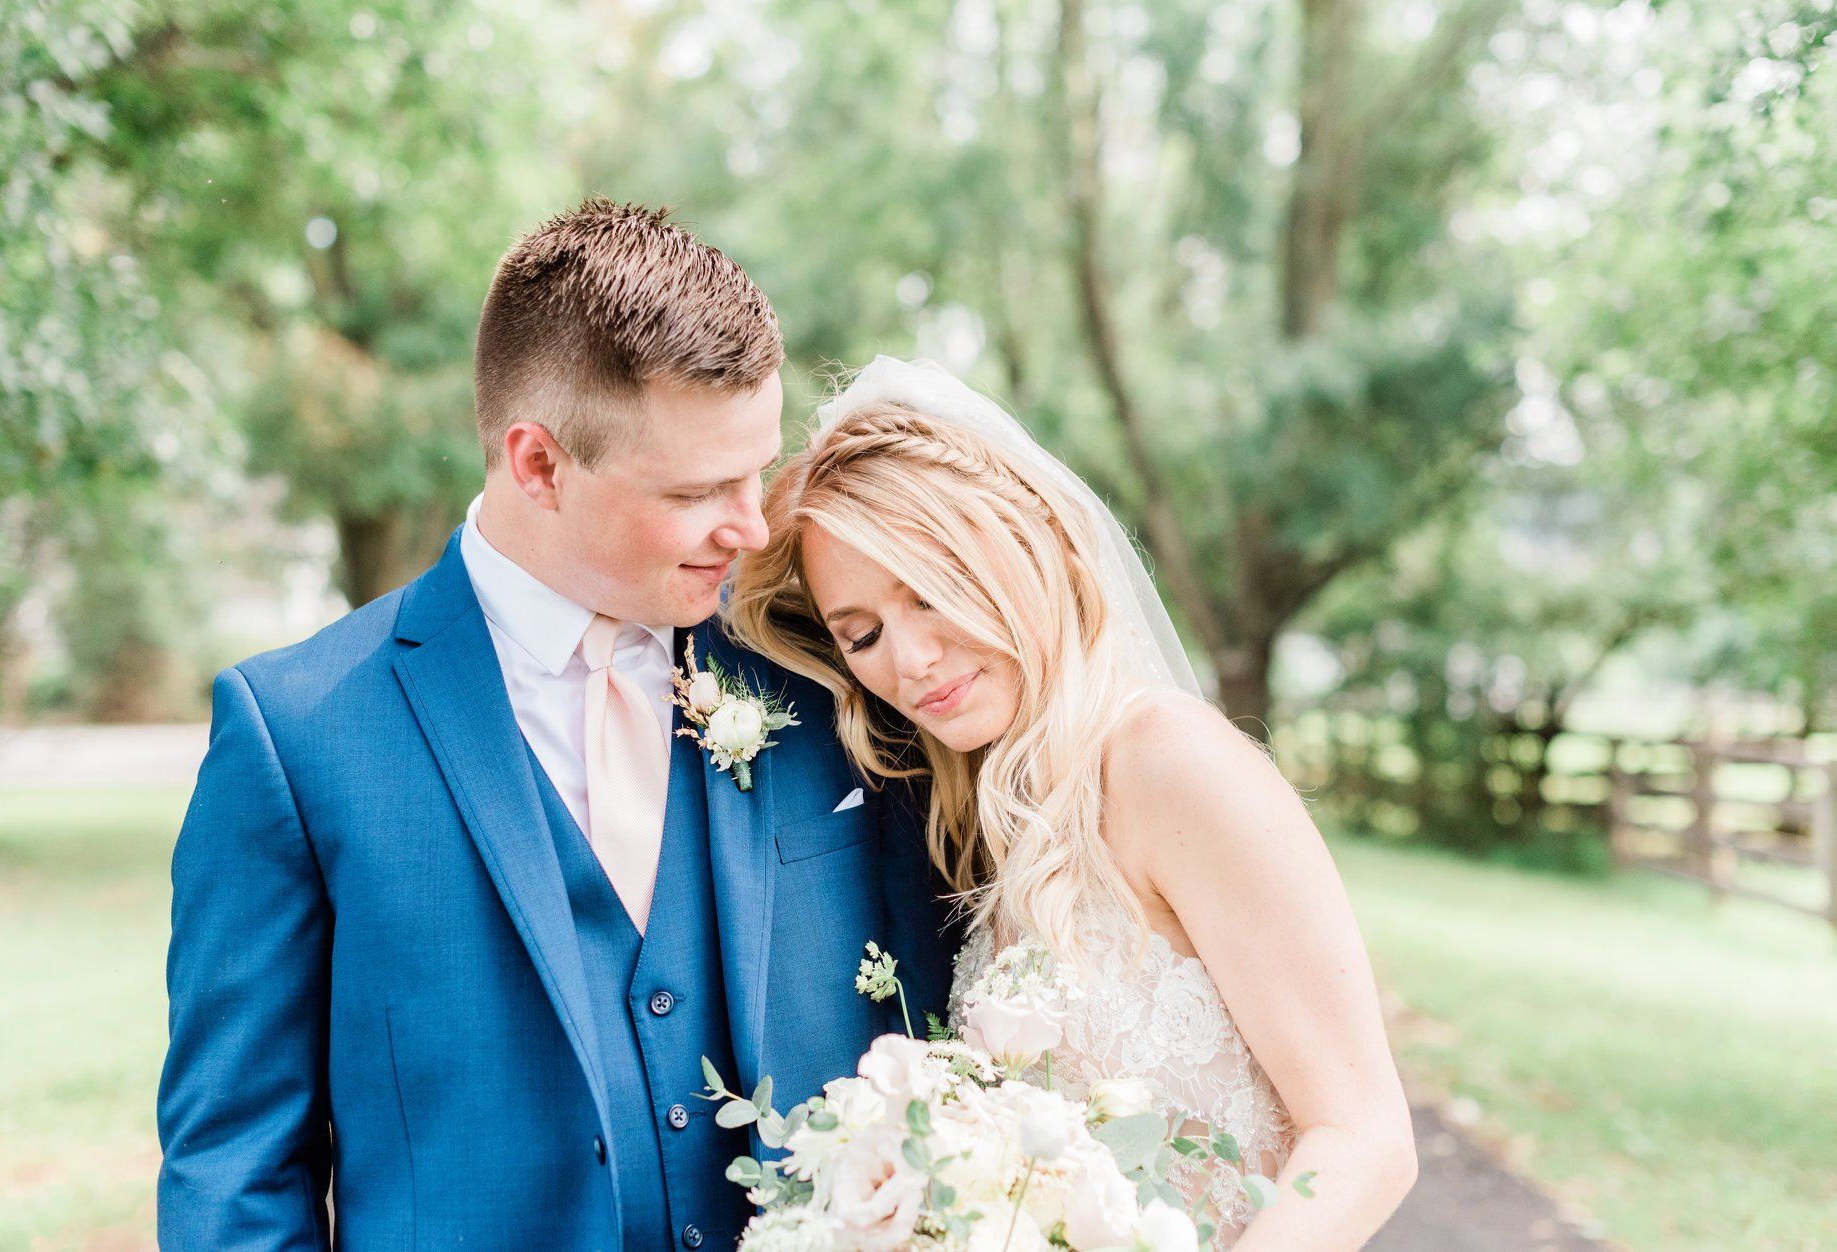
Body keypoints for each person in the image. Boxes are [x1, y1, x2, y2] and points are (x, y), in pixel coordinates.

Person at [156, 207, 957, 1250]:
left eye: (755, 470)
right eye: (699, 488)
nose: (754, 526)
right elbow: (234, 1177)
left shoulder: (823, 665)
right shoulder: (299, 737)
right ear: (538, 465)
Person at [725, 357, 1419, 1250]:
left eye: (930, 594)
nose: (909, 661)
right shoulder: (999, 813)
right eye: (861, 633)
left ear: (1031, 539)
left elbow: (1363, 1140)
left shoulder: (1170, 762)